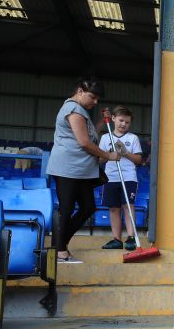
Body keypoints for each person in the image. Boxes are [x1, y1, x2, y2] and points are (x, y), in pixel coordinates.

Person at [46, 77, 121, 263]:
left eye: (97, 99)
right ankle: (60, 251)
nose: (95, 102)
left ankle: (57, 244)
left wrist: (102, 124)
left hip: (81, 170)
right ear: (80, 91)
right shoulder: (73, 109)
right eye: (92, 97)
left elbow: (89, 134)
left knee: (88, 206)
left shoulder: (81, 111)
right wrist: (108, 155)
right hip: (68, 168)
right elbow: (84, 142)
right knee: (67, 208)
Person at [98, 106, 143, 250]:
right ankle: (117, 239)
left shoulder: (132, 138)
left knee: (128, 206)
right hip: (110, 177)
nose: (123, 124)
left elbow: (138, 160)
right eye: (121, 120)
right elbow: (100, 160)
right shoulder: (106, 138)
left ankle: (131, 238)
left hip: (128, 177)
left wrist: (125, 152)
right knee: (114, 208)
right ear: (113, 119)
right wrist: (108, 153)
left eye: (127, 122)